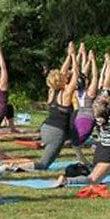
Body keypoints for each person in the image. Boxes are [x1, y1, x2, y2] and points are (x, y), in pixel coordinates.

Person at [55, 50, 110, 187]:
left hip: (100, 149)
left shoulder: (96, 107)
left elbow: (107, 84)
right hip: (109, 150)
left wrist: (109, 65)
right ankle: (67, 180)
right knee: (93, 180)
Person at [33, 42, 79, 170]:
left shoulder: (53, 90)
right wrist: (74, 56)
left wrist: (69, 56)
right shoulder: (66, 93)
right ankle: (10, 167)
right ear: (62, 79)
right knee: (43, 165)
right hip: (56, 133)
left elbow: (62, 71)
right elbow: (76, 73)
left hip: (45, 128)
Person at [71, 48, 101, 163]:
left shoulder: (76, 91)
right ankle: (85, 161)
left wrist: (87, 60)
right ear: (86, 82)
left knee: (76, 142)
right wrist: (93, 61)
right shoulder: (90, 92)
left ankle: (83, 161)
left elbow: (80, 75)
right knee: (77, 142)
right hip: (88, 120)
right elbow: (95, 76)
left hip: (79, 119)